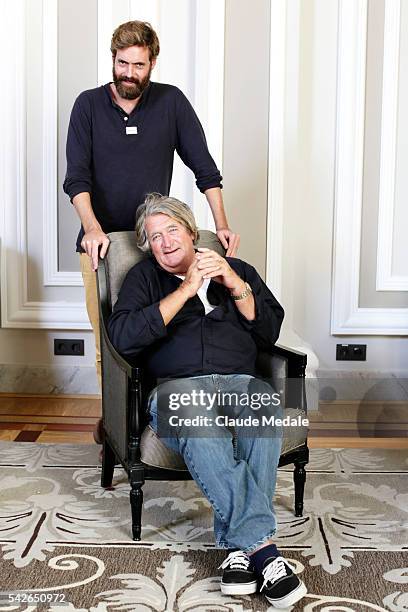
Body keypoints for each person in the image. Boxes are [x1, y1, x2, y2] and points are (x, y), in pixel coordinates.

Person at [107, 194, 307, 608]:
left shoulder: (235, 269)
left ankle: (238, 552)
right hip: (177, 386)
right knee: (199, 421)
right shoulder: (143, 279)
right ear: (147, 245)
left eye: (172, 230)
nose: (164, 242)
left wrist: (235, 283)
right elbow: (123, 338)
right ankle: (264, 552)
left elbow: (269, 329)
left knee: (267, 407)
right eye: (153, 236)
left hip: (241, 379)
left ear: (191, 231)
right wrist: (186, 290)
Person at [63, 20, 239, 387]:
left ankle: (156, 415)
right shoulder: (88, 105)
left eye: (138, 65)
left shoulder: (171, 102)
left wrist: (221, 222)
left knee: (158, 329)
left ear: (152, 63)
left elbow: (205, 169)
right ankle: (113, 423)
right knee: (109, 343)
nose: (128, 74)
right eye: (122, 64)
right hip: (101, 243)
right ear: (113, 59)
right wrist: (93, 228)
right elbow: (76, 178)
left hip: (152, 242)